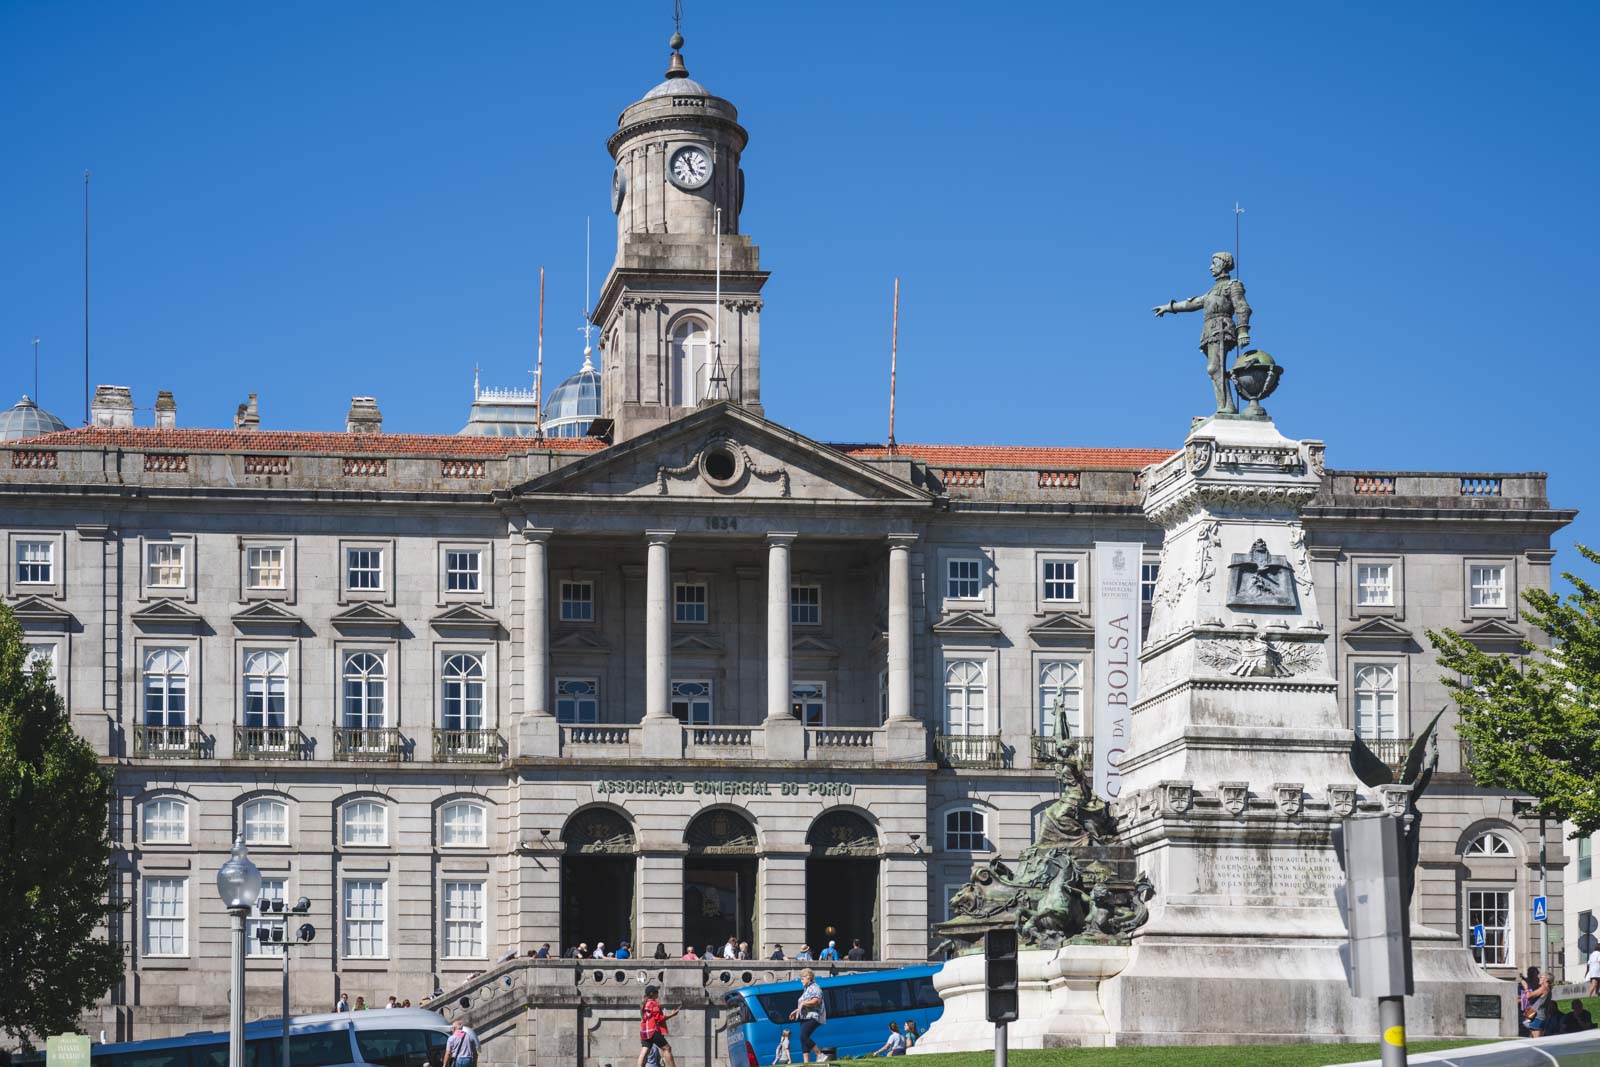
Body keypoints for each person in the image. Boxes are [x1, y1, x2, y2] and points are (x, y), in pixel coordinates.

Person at [1151, 250, 1252, 415]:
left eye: (1214, 263)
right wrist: (1169, 307)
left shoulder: (1232, 285)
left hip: (1221, 329)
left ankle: (1227, 407)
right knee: (1215, 370)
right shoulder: (1212, 291)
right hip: (1210, 331)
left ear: (1224, 264)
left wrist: (1243, 331)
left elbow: (1242, 307)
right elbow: (1193, 303)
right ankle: (1226, 405)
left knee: (1214, 368)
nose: (1211, 267)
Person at [788, 968, 827, 1064]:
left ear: (808, 978)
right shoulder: (807, 989)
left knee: (803, 1036)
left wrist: (803, 1004)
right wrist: (796, 1011)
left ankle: (819, 1054)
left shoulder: (814, 987)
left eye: (802, 979)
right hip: (805, 1017)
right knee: (803, 1038)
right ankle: (806, 1063)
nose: (801, 981)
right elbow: (804, 1004)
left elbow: (816, 1001)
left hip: (813, 1016)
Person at [637, 984, 679, 1067]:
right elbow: (659, 1019)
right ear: (652, 993)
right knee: (667, 1048)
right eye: (656, 991)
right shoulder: (653, 1003)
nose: (658, 993)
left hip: (645, 1032)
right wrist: (672, 1015)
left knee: (644, 1053)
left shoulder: (645, 1004)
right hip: (653, 1030)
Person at [1523, 966, 1553, 1037]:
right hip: (1539, 1016)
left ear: (1546, 979)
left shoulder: (1544, 988)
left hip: (1537, 1017)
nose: (1539, 978)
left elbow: (1529, 996)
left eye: (1541, 977)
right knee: (1537, 1039)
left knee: (1537, 1041)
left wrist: (1526, 987)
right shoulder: (1548, 989)